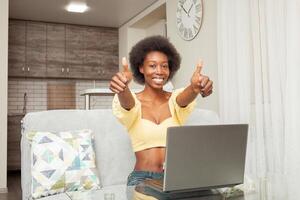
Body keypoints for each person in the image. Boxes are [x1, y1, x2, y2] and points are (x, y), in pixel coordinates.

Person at [109, 35, 213, 187]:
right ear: (141, 68)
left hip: (176, 177)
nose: (159, 71)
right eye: (152, 65)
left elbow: (184, 98)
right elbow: (128, 103)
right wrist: (123, 88)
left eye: (164, 66)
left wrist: (195, 88)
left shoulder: (174, 100)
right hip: (142, 179)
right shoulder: (133, 101)